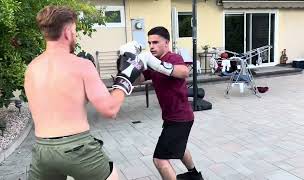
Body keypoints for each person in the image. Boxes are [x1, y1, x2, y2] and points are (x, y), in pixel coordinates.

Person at [24, 6, 144, 180]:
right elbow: (110, 110)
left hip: (43, 150)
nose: (75, 35)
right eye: (74, 30)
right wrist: (124, 79)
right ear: (67, 32)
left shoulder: (32, 68)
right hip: (77, 148)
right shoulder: (81, 65)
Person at [136, 26, 204, 180]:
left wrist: (156, 64)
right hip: (172, 117)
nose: (152, 46)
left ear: (166, 43)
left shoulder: (172, 58)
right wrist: (129, 62)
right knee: (179, 147)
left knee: (159, 159)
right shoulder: (153, 62)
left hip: (180, 117)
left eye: (155, 42)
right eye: (149, 43)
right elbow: (138, 80)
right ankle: (194, 175)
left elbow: (184, 71)